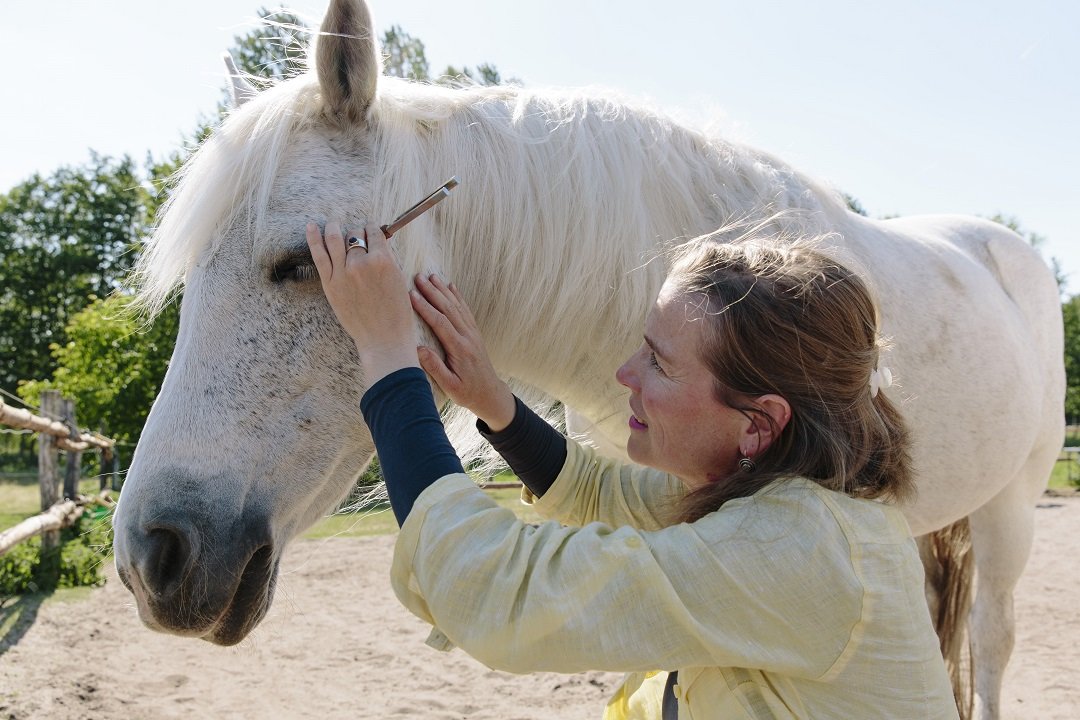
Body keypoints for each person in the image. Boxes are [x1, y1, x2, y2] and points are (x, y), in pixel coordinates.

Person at [306, 219, 959, 719]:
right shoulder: (798, 499)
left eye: (659, 362)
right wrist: (496, 405)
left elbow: (500, 592)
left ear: (758, 423)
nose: (626, 375)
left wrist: (387, 354)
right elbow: (604, 493)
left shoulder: (801, 548)